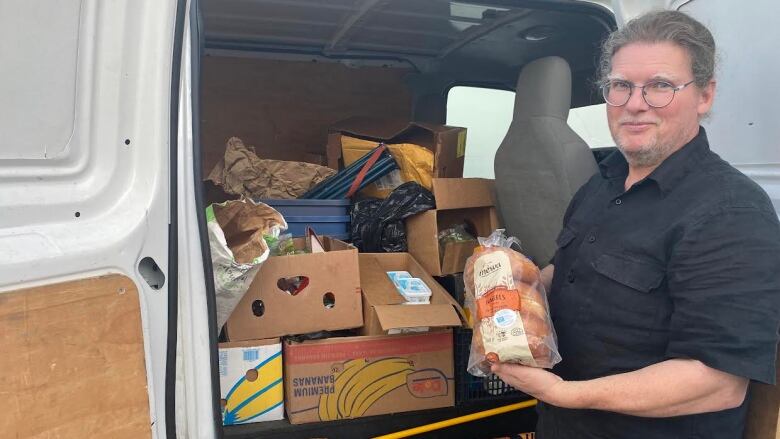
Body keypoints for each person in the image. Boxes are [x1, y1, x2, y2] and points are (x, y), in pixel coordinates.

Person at [491, 10, 780, 439]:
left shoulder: (731, 213)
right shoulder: (601, 182)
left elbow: (716, 383)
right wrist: (510, 290)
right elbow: (566, 273)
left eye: (661, 86)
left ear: (704, 96)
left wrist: (565, 392)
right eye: (620, 85)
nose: (635, 103)